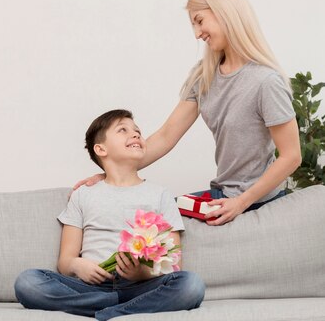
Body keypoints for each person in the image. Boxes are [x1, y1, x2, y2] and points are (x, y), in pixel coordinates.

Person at [74, 0, 301, 226]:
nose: (197, 33)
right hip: (223, 193)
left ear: (225, 11)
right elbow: (166, 136)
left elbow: (291, 156)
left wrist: (242, 202)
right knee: (147, 217)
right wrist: (112, 173)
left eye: (200, 20)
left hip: (256, 198)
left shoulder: (266, 81)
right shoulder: (204, 76)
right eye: (193, 24)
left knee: (154, 222)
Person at [15, 110, 205, 320]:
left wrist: (141, 273)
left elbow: (174, 261)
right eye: (123, 130)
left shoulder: (160, 195)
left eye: (137, 131)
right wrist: (78, 265)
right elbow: (65, 261)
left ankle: (107, 311)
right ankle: (121, 308)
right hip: (91, 286)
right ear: (101, 149)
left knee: (191, 285)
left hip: (141, 286)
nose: (135, 135)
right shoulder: (83, 195)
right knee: (28, 282)